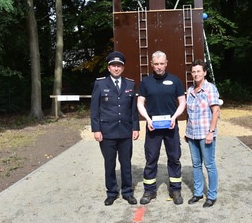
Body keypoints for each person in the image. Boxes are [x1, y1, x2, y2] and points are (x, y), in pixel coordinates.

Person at [90, 51, 140, 206]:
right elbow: (94, 109)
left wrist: (135, 127)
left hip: (125, 131)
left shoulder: (130, 84)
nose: (116, 68)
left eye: (119, 66)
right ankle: (111, 192)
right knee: (109, 163)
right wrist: (96, 129)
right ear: (108, 67)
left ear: (123, 68)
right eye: (113, 65)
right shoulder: (100, 84)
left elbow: (133, 110)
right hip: (107, 132)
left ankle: (127, 192)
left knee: (126, 163)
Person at [137, 50, 186, 205]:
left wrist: (174, 118)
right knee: (151, 159)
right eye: (156, 64)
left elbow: (182, 102)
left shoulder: (175, 81)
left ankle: (175, 189)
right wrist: (147, 119)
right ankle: (149, 191)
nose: (159, 67)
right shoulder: (146, 82)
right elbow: (140, 103)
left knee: (174, 158)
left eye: (161, 63)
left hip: (171, 126)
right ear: (152, 64)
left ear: (166, 63)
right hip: (153, 127)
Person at [185, 59, 220, 208]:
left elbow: (216, 111)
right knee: (196, 165)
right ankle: (198, 193)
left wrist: (211, 132)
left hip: (206, 134)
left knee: (209, 165)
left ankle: (212, 195)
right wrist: (187, 131)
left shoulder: (210, 88)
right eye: (193, 71)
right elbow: (189, 114)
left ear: (204, 72)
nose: (196, 74)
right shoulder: (190, 91)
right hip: (192, 134)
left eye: (199, 71)